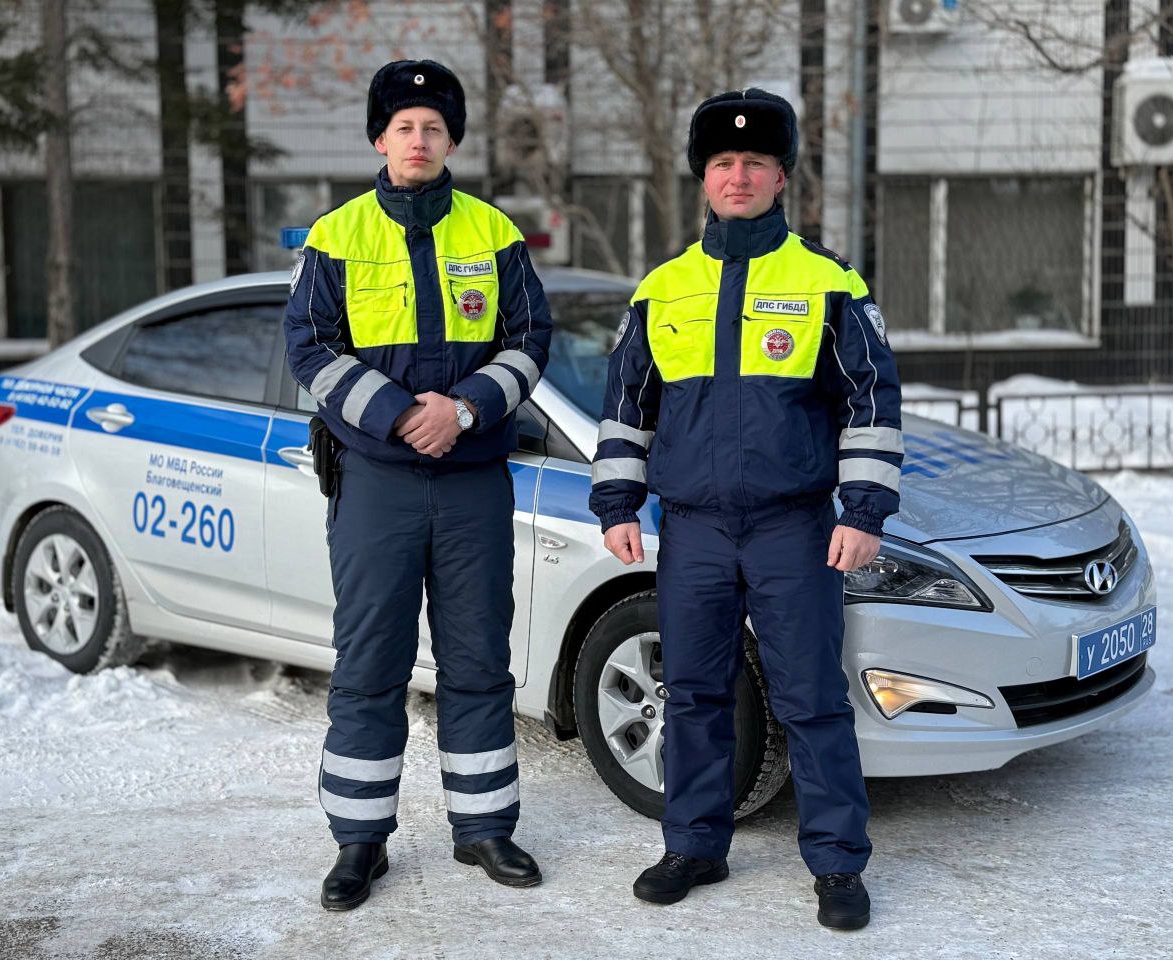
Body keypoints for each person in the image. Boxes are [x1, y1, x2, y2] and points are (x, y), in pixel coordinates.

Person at [588, 88, 903, 931]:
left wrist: (863, 509)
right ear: (704, 178)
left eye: (755, 162)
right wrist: (618, 498)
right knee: (691, 691)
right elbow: (627, 406)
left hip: (792, 526)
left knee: (811, 697)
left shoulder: (826, 280)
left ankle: (837, 863)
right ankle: (694, 842)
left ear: (781, 176)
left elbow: (872, 400)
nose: (739, 175)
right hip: (690, 526)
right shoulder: (662, 289)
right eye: (723, 163)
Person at [284, 59, 553, 911]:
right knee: (370, 661)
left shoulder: (494, 233)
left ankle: (484, 829)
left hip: (473, 480)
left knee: (478, 656)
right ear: (379, 137)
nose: (419, 138)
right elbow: (308, 348)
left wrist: (467, 409)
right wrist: (403, 415)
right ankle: (359, 843)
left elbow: (532, 339)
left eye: (434, 126)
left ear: (452, 141)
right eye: (404, 125)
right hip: (376, 482)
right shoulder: (336, 236)